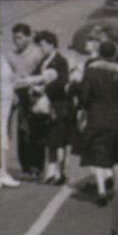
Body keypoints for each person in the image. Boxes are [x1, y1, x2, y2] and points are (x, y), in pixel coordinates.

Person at [76, 39, 118, 206]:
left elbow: (85, 97)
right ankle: (117, 190)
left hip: (97, 117)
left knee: (98, 155)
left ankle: (101, 190)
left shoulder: (91, 71)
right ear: (116, 54)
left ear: (101, 53)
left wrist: (86, 108)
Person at [3, 22, 46, 179]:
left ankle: (37, 166)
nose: (17, 41)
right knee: (22, 131)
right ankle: (26, 166)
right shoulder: (11, 56)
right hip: (19, 95)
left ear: (28, 37)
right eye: (15, 38)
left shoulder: (37, 54)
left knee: (35, 131)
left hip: (34, 95)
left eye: (20, 38)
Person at [32, 29, 74, 185]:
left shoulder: (60, 61)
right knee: (50, 140)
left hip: (59, 105)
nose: (41, 48)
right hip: (48, 106)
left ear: (51, 44)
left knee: (59, 141)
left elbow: (63, 82)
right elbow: (36, 76)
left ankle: (59, 172)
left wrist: (44, 88)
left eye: (43, 45)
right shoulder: (44, 61)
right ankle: (51, 172)